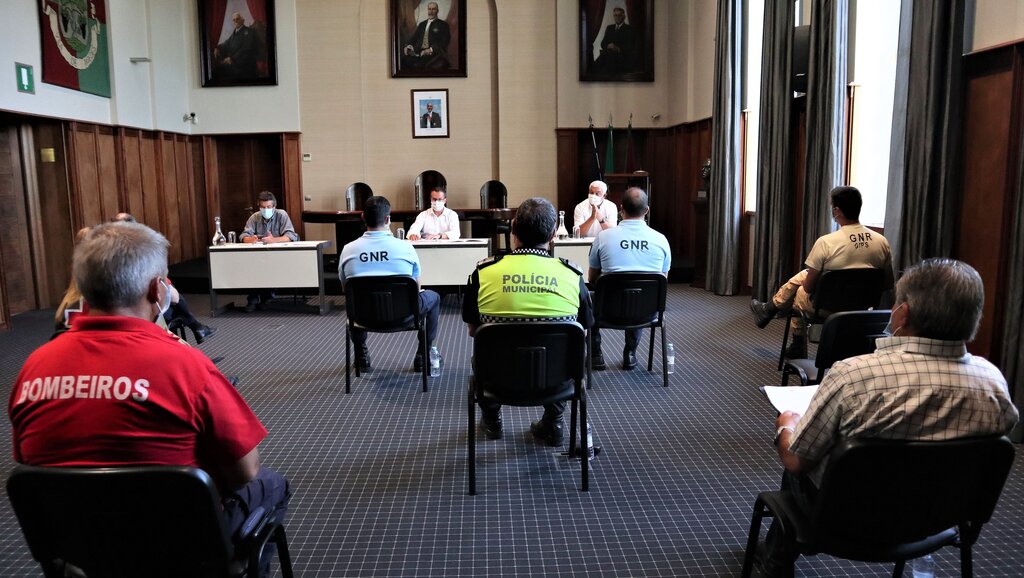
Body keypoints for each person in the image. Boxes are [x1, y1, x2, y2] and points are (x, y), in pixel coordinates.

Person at [9, 222, 291, 577]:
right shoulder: (186, 365)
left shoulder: (34, 367)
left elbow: (31, 467)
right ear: (157, 290)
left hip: (82, 549)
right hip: (182, 546)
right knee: (271, 484)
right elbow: (244, 471)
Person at [756, 258, 1019, 577]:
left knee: (800, 457)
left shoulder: (854, 375)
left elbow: (797, 460)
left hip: (847, 520)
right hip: (937, 521)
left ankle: (777, 560)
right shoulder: (994, 383)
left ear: (903, 314)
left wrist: (787, 424)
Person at [463, 198, 594, 445]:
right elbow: (584, 333)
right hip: (555, 380)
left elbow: (473, 331)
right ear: (553, 233)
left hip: (497, 379)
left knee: (483, 351)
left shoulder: (483, 273)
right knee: (568, 350)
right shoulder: (572, 275)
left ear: (513, 230)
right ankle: (553, 422)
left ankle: (492, 421)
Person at [750, 186, 893, 358]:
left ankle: (794, 341)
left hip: (827, 308)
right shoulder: (881, 241)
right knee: (804, 275)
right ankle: (769, 309)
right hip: (863, 307)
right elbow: (887, 283)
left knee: (801, 290)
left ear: (836, 210)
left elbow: (809, 288)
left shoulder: (826, 242)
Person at [338, 195, 441, 372]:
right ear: (387, 219)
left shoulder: (348, 250)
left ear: (363, 217)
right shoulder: (406, 248)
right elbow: (416, 287)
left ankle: (361, 355)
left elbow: (345, 289)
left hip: (363, 317)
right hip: (405, 314)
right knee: (434, 298)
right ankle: (422, 356)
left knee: (354, 300)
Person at [588, 187, 671, 370]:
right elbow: (661, 282)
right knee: (642, 295)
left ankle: (596, 354)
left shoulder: (603, 237)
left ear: (621, 208)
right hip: (647, 312)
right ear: (647, 210)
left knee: (587, 299)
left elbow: (593, 278)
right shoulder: (661, 240)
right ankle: (630, 353)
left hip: (606, 311)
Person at [110, 213, 216, 343]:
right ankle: (194, 329)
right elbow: (172, 296)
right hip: (142, 311)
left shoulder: (106, 256)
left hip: (113, 312)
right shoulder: (143, 253)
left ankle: (197, 327)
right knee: (174, 298)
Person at [240, 191, 300, 312]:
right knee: (252, 266)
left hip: (278, 255)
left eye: (268, 207)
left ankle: (267, 297)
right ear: (259, 206)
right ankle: (253, 298)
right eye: (262, 207)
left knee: (268, 266)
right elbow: (243, 236)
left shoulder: (281, 215)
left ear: (274, 206)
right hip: (258, 256)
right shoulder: (254, 217)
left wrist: (274, 240)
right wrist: (251, 239)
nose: (265, 210)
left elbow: (291, 235)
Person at [213, 12, 262, 82]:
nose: (235, 21)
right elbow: (226, 43)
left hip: (245, 67)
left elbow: (246, 49)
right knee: (217, 70)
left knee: (218, 70)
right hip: (235, 65)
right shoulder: (235, 33)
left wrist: (232, 59)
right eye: (234, 20)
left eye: (237, 19)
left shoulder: (248, 32)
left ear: (242, 20)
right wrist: (217, 48)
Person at [401, 1, 451, 70]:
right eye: (429, 9)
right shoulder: (422, 24)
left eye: (433, 9)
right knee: (404, 61)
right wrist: (409, 46)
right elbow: (414, 38)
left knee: (420, 66)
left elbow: (443, 43)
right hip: (419, 53)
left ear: (437, 11)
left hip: (434, 54)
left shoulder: (443, 25)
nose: (431, 11)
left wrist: (430, 49)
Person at [594, 7, 636, 74]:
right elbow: (603, 43)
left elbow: (630, 46)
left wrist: (618, 48)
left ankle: (594, 69)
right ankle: (594, 69)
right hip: (609, 57)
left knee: (605, 59)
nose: (617, 17)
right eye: (615, 15)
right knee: (607, 55)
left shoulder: (629, 29)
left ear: (624, 16)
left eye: (619, 15)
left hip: (622, 58)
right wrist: (608, 45)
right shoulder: (609, 28)